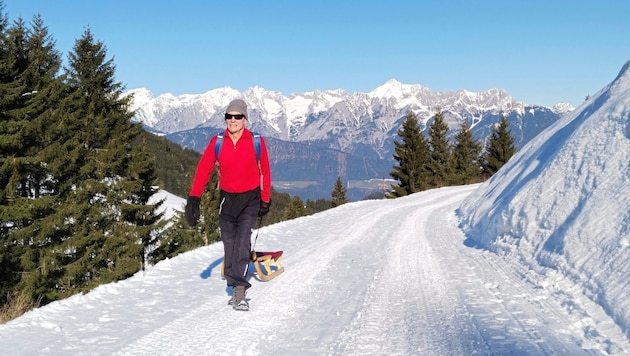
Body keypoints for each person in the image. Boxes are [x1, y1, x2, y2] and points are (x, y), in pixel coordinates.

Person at [185, 99, 271, 311]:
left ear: (245, 119)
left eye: (237, 116)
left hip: (250, 199)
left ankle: (239, 292)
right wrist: (194, 198)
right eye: (229, 116)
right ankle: (234, 277)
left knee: (242, 241)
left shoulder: (255, 141)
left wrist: (265, 198)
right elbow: (203, 169)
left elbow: (265, 171)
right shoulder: (218, 142)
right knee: (229, 243)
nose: (232, 120)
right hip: (227, 200)